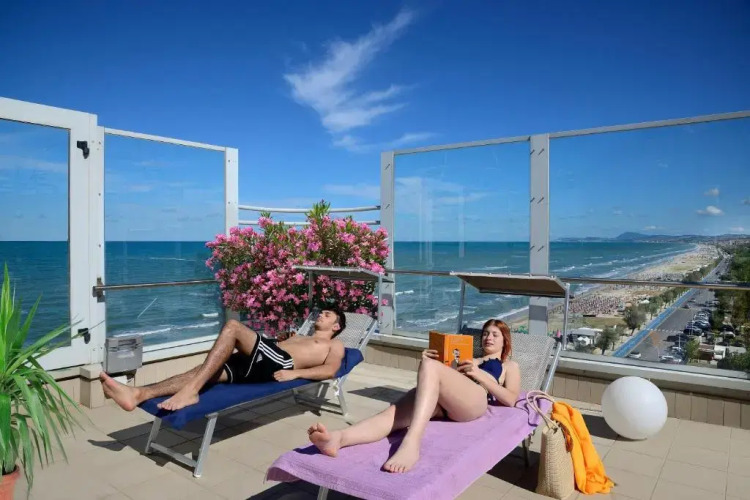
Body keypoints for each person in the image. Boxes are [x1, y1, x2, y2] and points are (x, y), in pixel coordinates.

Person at [308, 319, 520, 474]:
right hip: (446, 399)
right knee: (390, 415)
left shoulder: (509, 366)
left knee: (431, 367)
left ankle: (412, 442)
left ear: (505, 340)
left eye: (495, 334)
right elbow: (442, 378)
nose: (488, 337)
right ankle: (338, 439)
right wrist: (432, 361)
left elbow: (510, 399)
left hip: (474, 400)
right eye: (485, 333)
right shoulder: (469, 357)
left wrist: (479, 375)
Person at [100, 307, 347, 412]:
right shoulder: (301, 335)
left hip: (281, 363)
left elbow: (331, 370)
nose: (321, 315)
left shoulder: (335, 344)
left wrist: (296, 373)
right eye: (321, 312)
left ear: (336, 326)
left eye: (327, 315)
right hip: (266, 358)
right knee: (205, 371)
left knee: (233, 327)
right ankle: (139, 394)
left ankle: (191, 392)